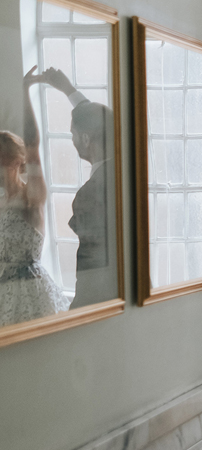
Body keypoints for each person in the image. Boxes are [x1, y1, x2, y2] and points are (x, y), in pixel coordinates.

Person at [0, 66, 70, 327]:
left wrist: (25, 92)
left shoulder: (31, 196)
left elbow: (32, 146)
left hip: (30, 295)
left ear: (15, 160)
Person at [39, 68, 112, 308]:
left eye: (73, 134)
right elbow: (96, 117)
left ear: (86, 139)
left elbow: (93, 263)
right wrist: (68, 89)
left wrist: (79, 309)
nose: (71, 140)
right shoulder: (126, 166)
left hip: (101, 299)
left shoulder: (90, 194)